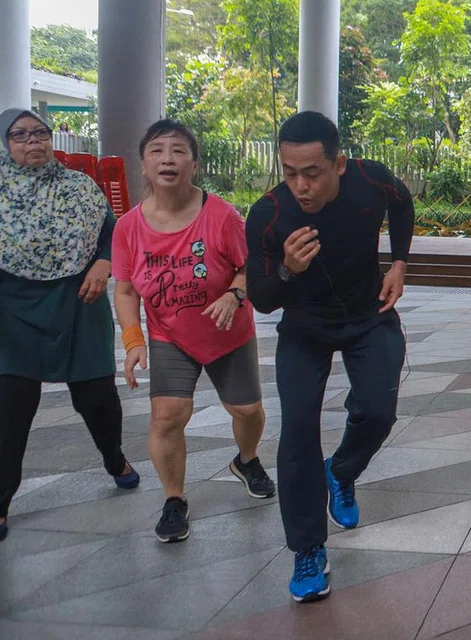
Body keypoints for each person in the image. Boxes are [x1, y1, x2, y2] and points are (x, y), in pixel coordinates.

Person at [245, 111, 412, 602]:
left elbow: (402, 207)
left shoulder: (370, 179)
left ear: (338, 164)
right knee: (297, 431)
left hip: (369, 315)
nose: (300, 185)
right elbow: (260, 297)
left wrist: (399, 261)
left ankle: (341, 471)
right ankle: (308, 549)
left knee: (380, 410)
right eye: (289, 171)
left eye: (312, 172)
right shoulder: (268, 214)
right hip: (304, 328)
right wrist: (289, 271)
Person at [112, 119, 273, 544]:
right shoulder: (128, 227)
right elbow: (126, 290)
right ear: (144, 165)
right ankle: (173, 499)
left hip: (227, 332)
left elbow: (249, 267)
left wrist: (234, 296)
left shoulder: (220, 215)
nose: (168, 158)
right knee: (168, 416)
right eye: (157, 151)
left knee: (247, 411)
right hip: (170, 336)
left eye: (179, 150)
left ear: (194, 164)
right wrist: (133, 340)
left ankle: (248, 459)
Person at [0, 108, 139, 543]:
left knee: (98, 398)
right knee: (11, 406)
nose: (33, 141)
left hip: (81, 300)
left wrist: (102, 263)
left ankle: (114, 457)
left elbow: (111, 232)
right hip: (12, 310)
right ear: (5, 145)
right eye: (20, 136)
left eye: (39, 133)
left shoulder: (80, 186)